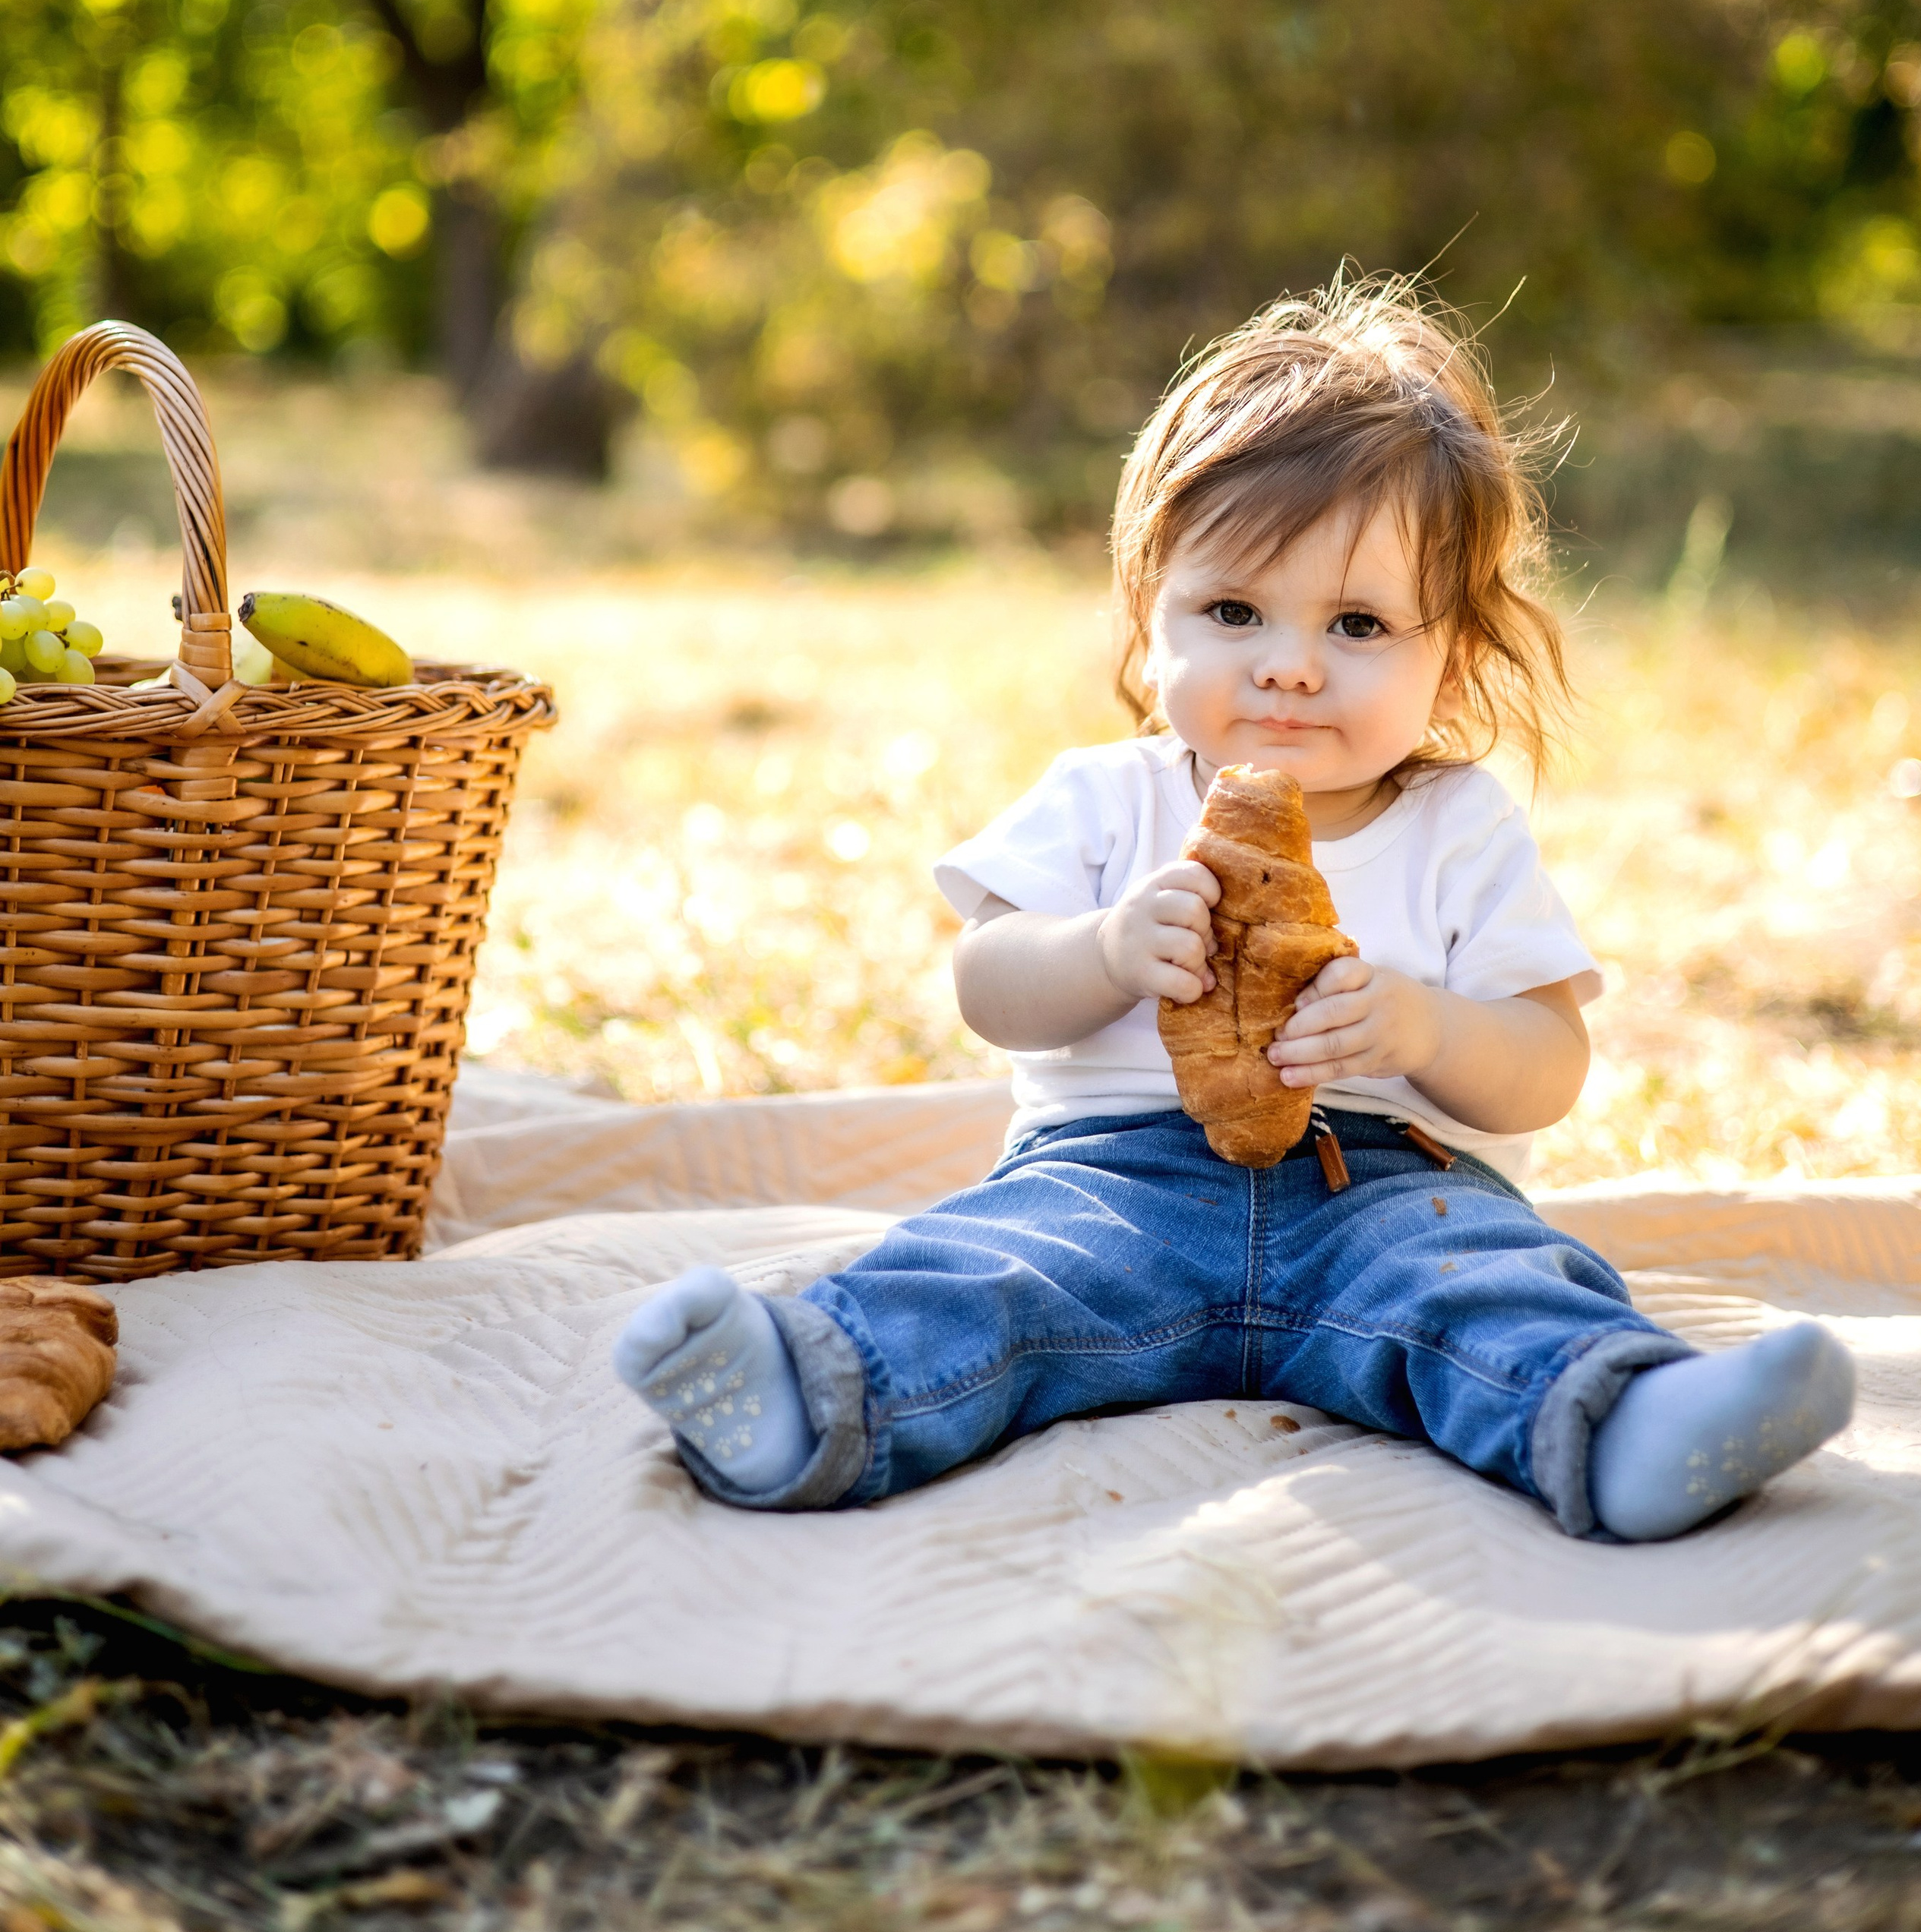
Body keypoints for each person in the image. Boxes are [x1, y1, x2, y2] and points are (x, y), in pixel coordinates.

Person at [614, 274, 1855, 1539]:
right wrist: (1102, 950)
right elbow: (987, 986)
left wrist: (1426, 1032)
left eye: (1359, 622)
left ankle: (1624, 1424)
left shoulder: (1459, 828)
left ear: (1457, 656)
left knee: (1496, 1294)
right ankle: (807, 1397)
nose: (1290, 663)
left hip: (1391, 1191)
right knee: (985, 1276)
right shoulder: (1110, 800)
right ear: (1151, 621)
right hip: (1113, 1180)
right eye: (1233, 611)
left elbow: (1548, 1067)